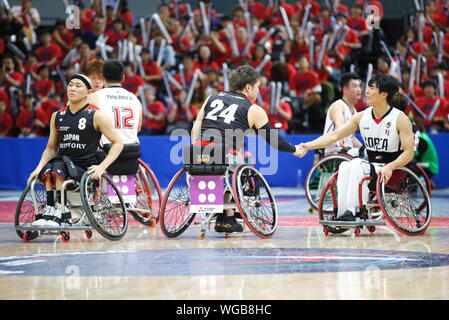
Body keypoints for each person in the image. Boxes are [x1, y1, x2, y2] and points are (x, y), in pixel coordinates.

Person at [191, 65, 305, 233]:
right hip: (225, 156)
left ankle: (223, 212)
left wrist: (195, 147)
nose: (258, 91)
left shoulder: (211, 98)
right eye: (258, 87)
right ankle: (228, 213)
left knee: (231, 162)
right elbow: (274, 141)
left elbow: (197, 124)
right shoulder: (253, 109)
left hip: (198, 153)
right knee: (245, 167)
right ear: (248, 87)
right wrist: (294, 149)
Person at [297, 75, 415, 221]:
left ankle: (353, 211)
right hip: (372, 168)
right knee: (346, 165)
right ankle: (343, 214)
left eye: (372, 89)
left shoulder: (400, 118)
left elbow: (409, 152)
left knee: (356, 165)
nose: (366, 92)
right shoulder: (361, 116)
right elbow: (334, 136)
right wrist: (306, 146)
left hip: (392, 171)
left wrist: (391, 166)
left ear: (384, 94)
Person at [27, 74, 123, 227]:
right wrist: (38, 168)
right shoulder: (57, 116)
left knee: (58, 168)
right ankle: (50, 209)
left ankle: (62, 212)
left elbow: (118, 143)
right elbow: (51, 148)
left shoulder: (96, 115)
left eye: (78, 86)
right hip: (62, 163)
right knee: (48, 168)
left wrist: (102, 167)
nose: (72, 88)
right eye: (70, 84)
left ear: (88, 93)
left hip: (84, 165)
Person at [87, 59, 143, 146]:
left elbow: (86, 128)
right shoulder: (135, 99)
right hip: (132, 152)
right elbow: (138, 128)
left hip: (106, 152)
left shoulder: (94, 97)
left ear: (103, 77)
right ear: (123, 77)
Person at [322, 72, 363, 157]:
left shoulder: (354, 111)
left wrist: (364, 149)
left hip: (348, 151)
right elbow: (339, 123)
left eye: (359, 86)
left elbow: (351, 138)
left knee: (367, 154)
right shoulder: (338, 105)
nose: (359, 89)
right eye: (355, 86)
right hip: (335, 152)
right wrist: (341, 137)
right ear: (345, 90)